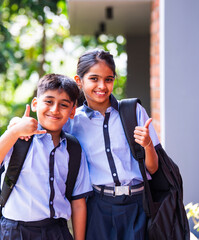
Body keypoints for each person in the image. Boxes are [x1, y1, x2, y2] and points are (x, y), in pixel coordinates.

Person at [0, 73, 93, 240]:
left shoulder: (74, 149)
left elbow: (78, 203)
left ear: (72, 111)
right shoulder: (19, 138)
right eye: (48, 102)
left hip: (57, 231)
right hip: (15, 231)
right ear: (35, 104)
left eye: (63, 105)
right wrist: (14, 131)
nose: (55, 109)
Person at [64, 49, 159, 240]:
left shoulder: (133, 111)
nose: (102, 86)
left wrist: (148, 145)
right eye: (94, 79)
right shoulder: (72, 121)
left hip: (138, 205)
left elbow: (153, 168)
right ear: (79, 81)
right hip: (98, 207)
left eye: (108, 79)